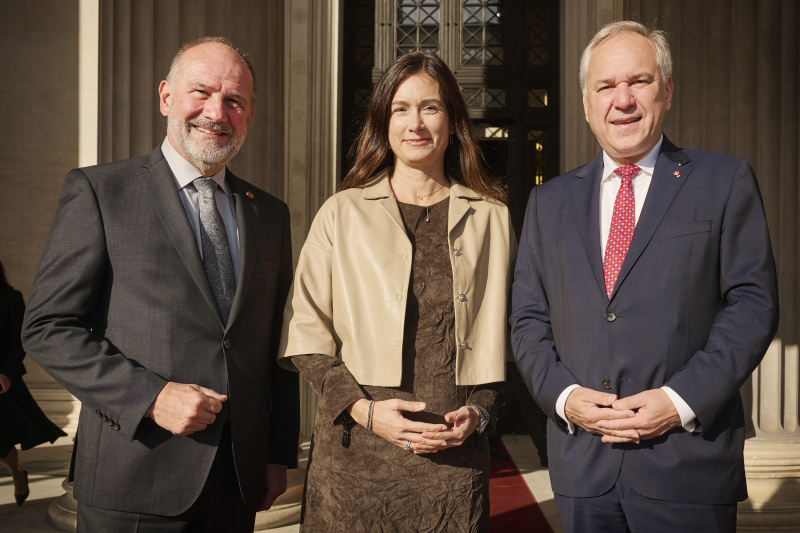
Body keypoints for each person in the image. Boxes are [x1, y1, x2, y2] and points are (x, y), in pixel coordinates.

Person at [510, 21, 779, 532]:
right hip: (583, 468)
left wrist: (680, 402)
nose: (623, 99)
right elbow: (526, 319)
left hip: (687, 467)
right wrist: (566, 398)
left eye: (639, 81)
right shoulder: (549, 202)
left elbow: (753, 305)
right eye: (606, 86)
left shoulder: (724, 181)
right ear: (586, 103)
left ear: (668, 90)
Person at [21, 37, 299, 531]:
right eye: (202, 92)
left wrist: (277, 453)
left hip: (236, 481)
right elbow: (48, 327)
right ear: (166, 97)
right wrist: (150, 397)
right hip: (133, 477)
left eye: (234, 101)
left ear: (249, 114)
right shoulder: (101, 192)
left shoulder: (269, 213)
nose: (217, 112)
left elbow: (276, 344)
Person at [278, 52, 516, 531]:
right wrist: (364, 411)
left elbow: (512, 331)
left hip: (452, 455)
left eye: (430, 107)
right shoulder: (340, 212)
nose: (416, 123)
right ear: (383, 122)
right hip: (357, 454)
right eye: (400, 108)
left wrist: (482, 413)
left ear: (452, 121)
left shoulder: (493, 216)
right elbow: (304, 330)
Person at [0, 260, 66, 507]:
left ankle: (17, 473)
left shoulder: (10, 298)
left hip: (2, 381)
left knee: (1, 439)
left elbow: (21, 342)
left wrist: (6, 372)